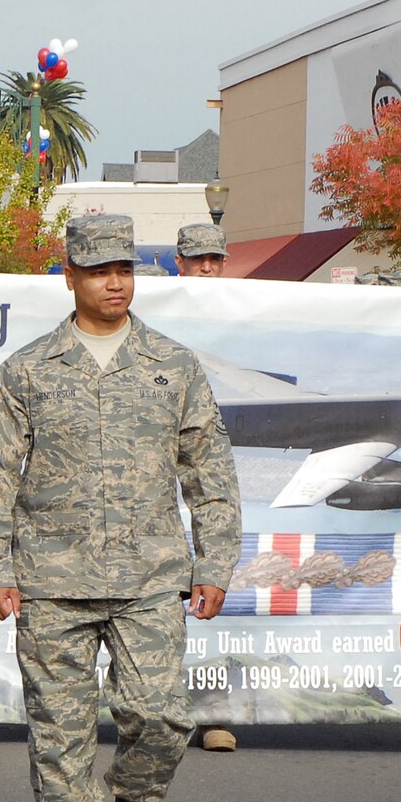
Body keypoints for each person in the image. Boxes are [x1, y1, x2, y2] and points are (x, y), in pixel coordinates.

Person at [0, 215, 242, 802]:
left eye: (124, 268)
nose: (114, 282)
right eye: (98, 270)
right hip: (51, 580)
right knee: (60, 733)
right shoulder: (27, 370)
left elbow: (209, 473)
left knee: (161, 717)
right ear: (71, 277)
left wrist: (214, 561)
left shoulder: (172, 365)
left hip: (150, 578)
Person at [170, 222, 239, 755]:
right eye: (198, 260)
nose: (207, 269)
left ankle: (216, 716)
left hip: (215, 464)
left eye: (215, 259)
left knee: (213, 595)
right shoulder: (159, 315)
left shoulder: (242, 310)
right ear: (179, 261)